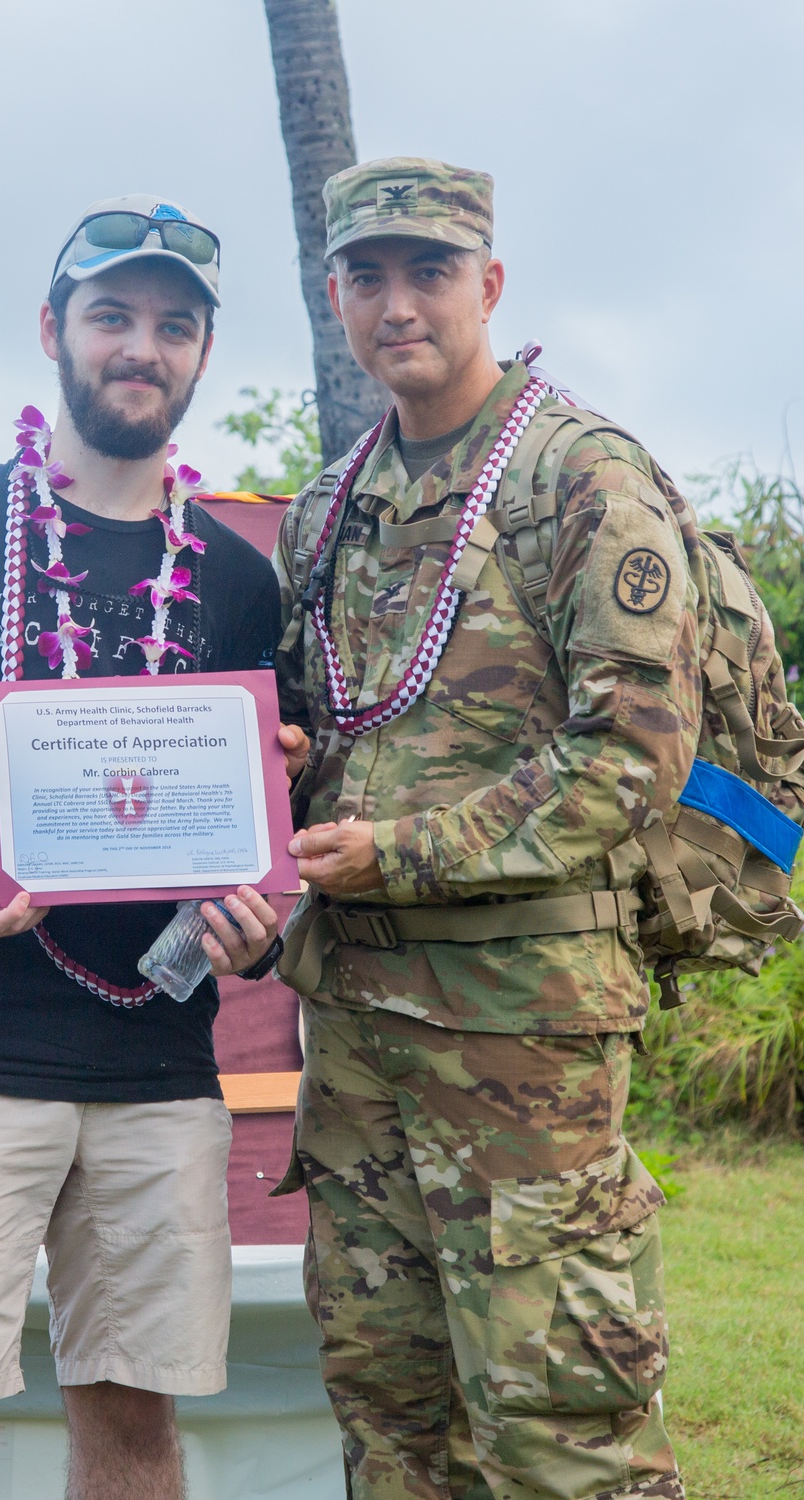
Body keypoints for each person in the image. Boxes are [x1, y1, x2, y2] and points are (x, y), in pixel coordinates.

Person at [0, 193, 285, 1500]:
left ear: (200, 356)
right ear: (53, 331)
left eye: (175, 326)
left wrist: (257, 923)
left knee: (135, 1426)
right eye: (113, 316)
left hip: (153, 1060)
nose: (143, 346)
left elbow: (261, 818)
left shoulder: (242, 584)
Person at [273, 158, 699, 1500]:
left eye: (431, 271)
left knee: (560, 1439)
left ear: (491, 284)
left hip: (525, 1043)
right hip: (357, 1046)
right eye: (368, 277)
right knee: (391, 1425)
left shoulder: (582, 478)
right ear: (336, 296)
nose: (398, 304)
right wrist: (277, 779)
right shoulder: (326, 511)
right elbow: (336, 730)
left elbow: (636, 754)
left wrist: (402, 851)